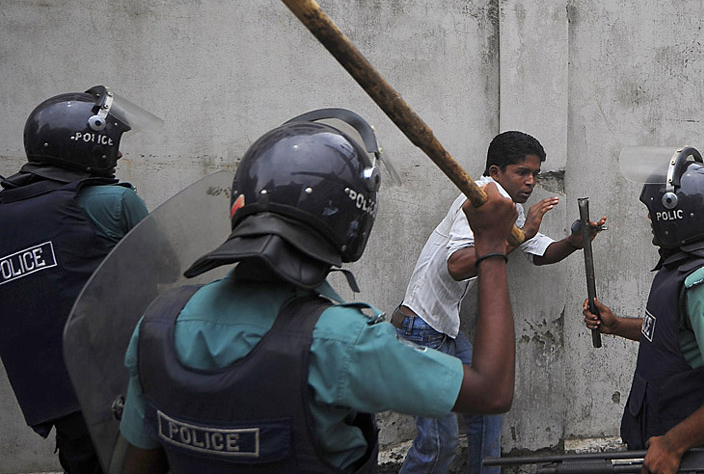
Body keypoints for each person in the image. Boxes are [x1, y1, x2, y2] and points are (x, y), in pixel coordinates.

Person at [117, 108, 521, 474]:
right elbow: (491, 391)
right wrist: (490, 247)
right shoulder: (341, 341)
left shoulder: (159, 324)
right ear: (352, 224)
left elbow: (138, 460)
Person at [395, 130, 606, 474]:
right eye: (522, 172)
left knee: (488, 410)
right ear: (495, 172)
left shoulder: (508, 208)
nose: (531, 181)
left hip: (445, 330)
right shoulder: (478, 199)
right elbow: (458, 265)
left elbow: (539, 253)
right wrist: (524, 235)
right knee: (439, 443)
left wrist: (574, 241)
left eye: (535, 174)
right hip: (422, 330)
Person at [582, 147, 704, 474]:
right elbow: (680, 338)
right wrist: (617, 325)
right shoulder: (684, 268)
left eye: (654, 212)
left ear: (677, 215)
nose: (650, 219)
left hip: (695, 462)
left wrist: (672, 445)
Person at [0, 86, 152, 474]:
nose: (119, 155)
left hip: (55, 388)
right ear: (87, 143)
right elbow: (165, 265)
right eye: (113, 144)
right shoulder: (115, 200)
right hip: (120, 376)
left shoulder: (9, 209)